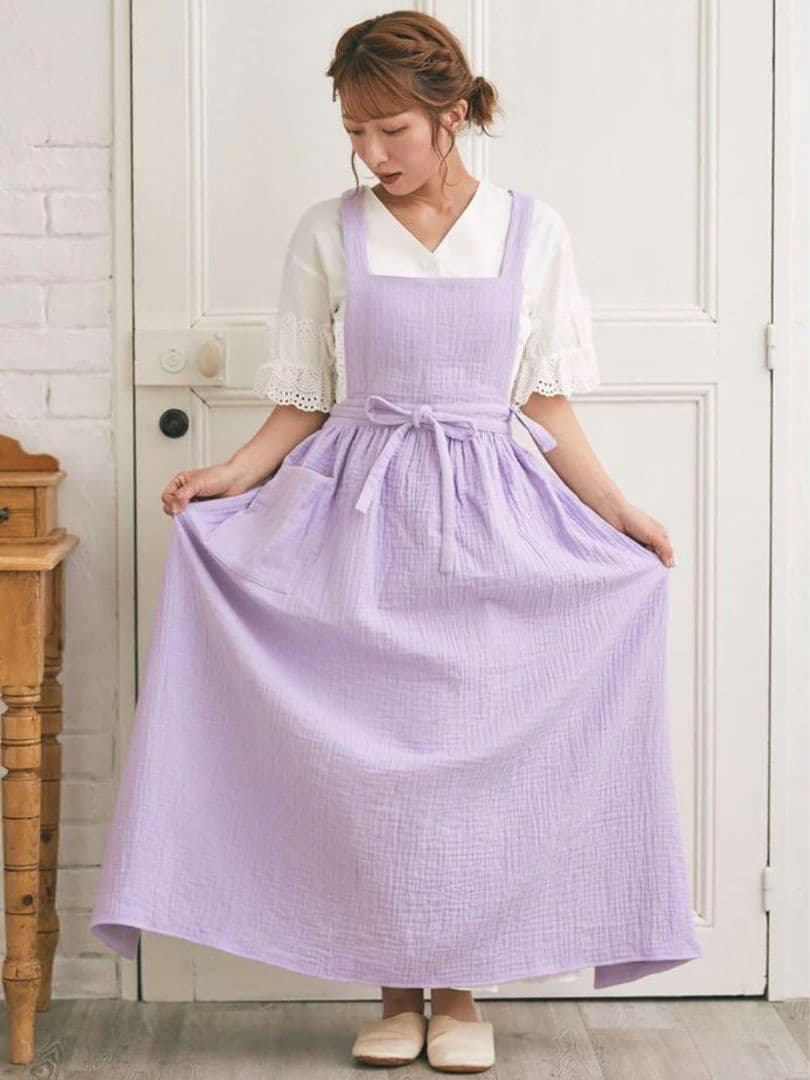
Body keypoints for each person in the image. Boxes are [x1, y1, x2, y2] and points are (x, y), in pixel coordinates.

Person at [91, 11, 702, 1074]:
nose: (372, 154)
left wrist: (619, 513)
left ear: (452, 114)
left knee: (466, 760)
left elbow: (543, 401)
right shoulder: (329, 232)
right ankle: (389, 988)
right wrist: (232, 476)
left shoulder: (530, 231)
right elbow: (306, 400)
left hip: (491, 518)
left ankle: (458, 993)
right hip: (357, 519)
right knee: (369, 761)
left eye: (392, 130)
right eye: (354, 132)